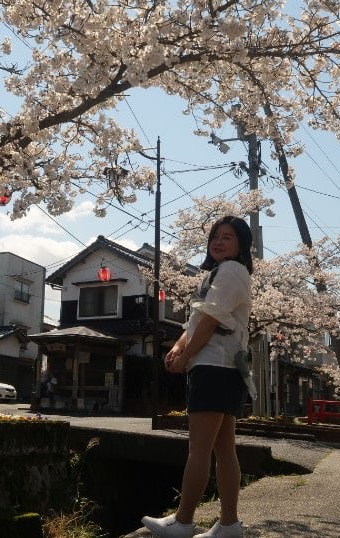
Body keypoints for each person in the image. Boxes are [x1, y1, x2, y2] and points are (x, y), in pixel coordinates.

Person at [141, 215, 254, 538]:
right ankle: (229, 524)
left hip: (214, 368)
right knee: (223, 450)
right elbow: (196, 322)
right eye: (215, 236)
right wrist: (178, 348)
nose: (218, 241)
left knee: (199, 449)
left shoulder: (232, 271)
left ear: (242, 245)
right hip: (225, 369)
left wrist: (186, 356)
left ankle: (184, 520)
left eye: (227, 237)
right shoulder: (222, 273)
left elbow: (207, 323)